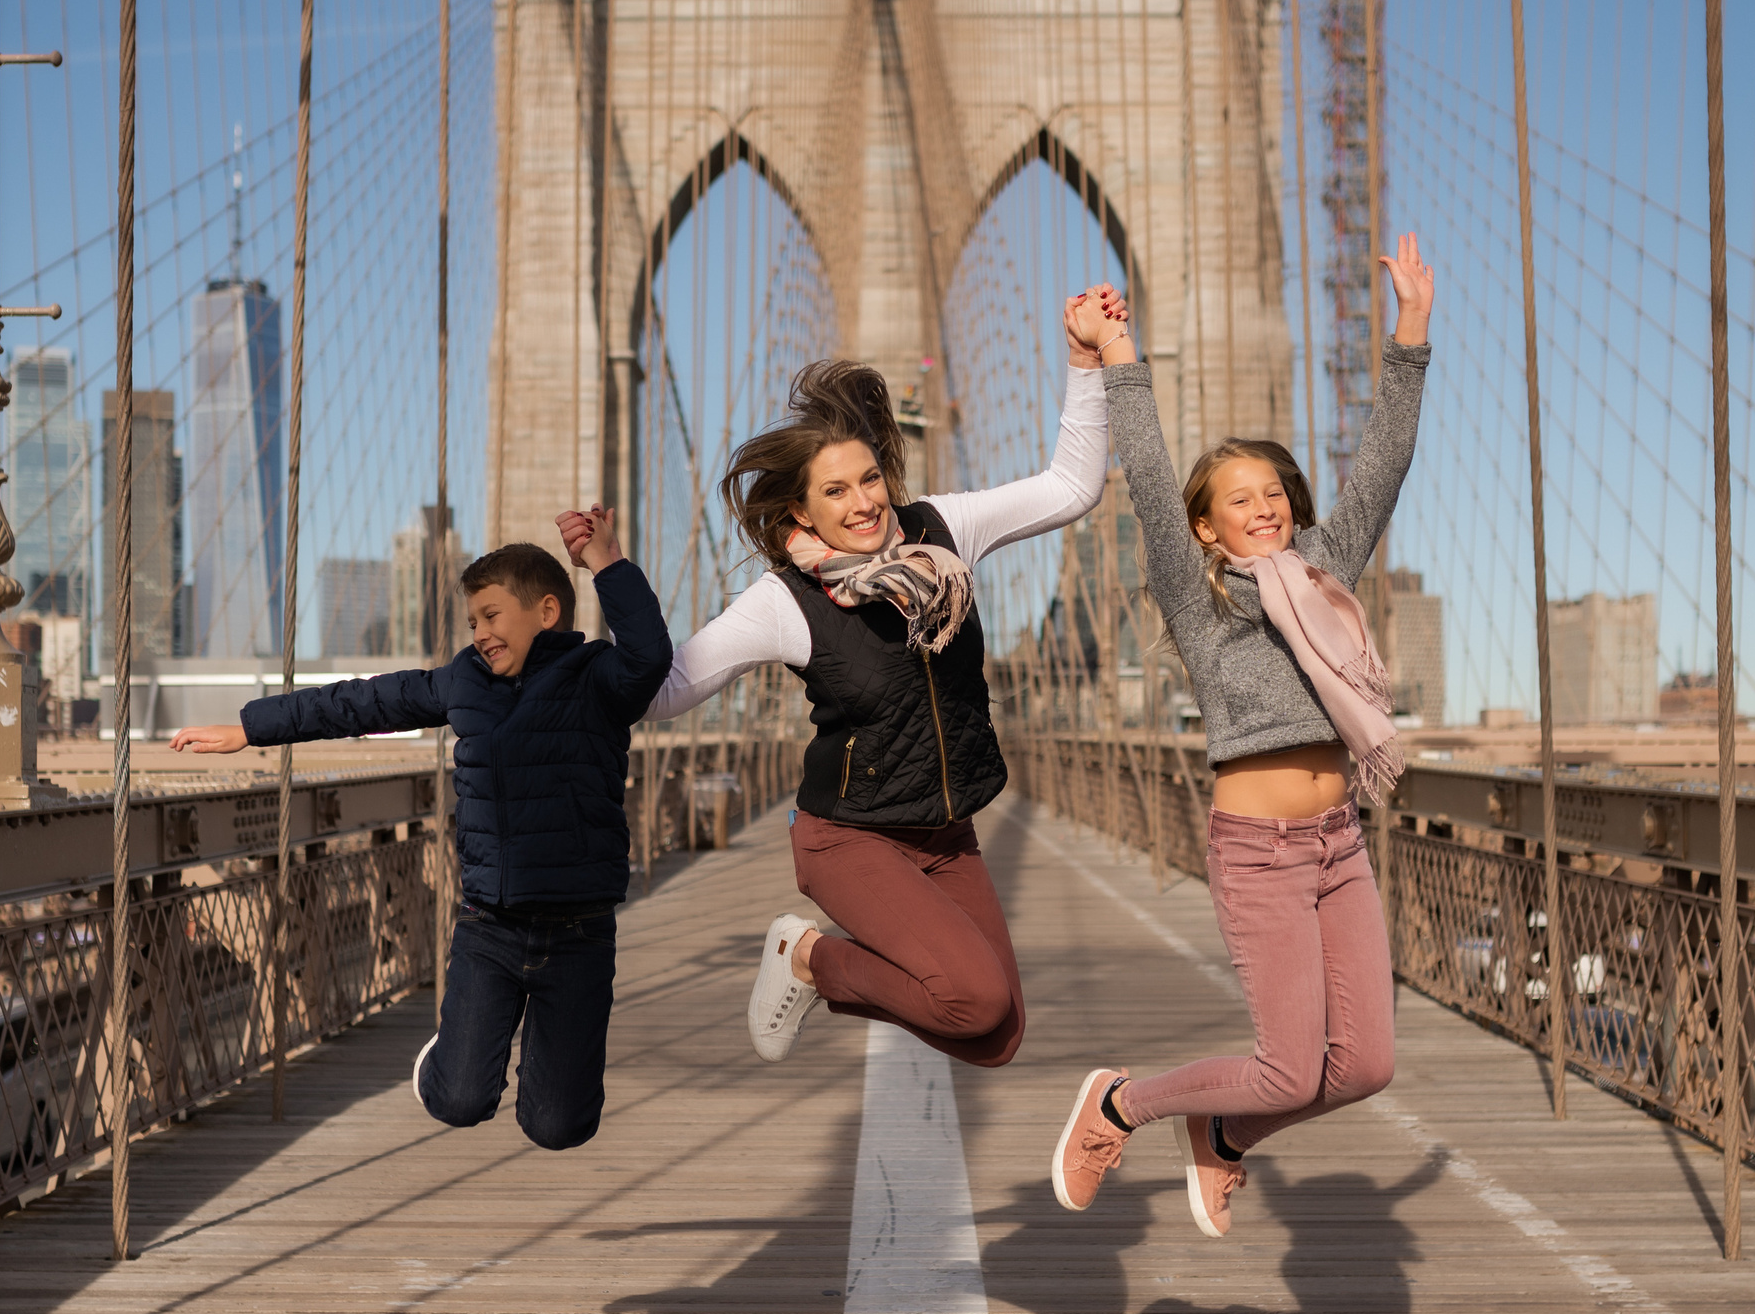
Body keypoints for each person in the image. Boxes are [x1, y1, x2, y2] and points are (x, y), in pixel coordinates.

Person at [1050, 235, 1436, 1237]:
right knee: (1284, 1061)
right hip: (1258, 853)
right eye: (1240, 501)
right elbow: (1142, 474)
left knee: (1364, 1065)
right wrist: (1117, 354)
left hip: (1338, 843)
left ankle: (1222, 1137)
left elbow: (1384, 460)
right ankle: (1119, 1105)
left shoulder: (1326, 569)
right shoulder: (1197, 600)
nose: (1263, 508)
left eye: (1275, 494)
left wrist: (1411, 329)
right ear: (1209, 531)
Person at [646, 293, 1122, 1068]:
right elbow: (667, 688)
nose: (863, 502)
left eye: (869, 479)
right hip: (849, 835)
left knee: (995, 1035)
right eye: (835, 491)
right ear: (799, 506)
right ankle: (808, 955)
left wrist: (1083, 361)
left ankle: (813, 964)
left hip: (945, 831)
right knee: (975, 996)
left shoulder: (944, 529)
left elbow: (1071, 488)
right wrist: (603, 594)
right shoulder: (785, 601)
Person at [168, 508, 671, 1151]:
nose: (481, 633)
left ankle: (539, 1071)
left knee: (559, 1125)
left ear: (547, 612)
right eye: (472, 622)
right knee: (458, 1099)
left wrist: (607, 563)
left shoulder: (599, 678)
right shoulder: (464, 681)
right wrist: (249, 728)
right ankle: (450, 1055)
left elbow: (651, 654)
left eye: (492, 616)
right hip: (491, 924)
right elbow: (359, 701)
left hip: (579, 932)